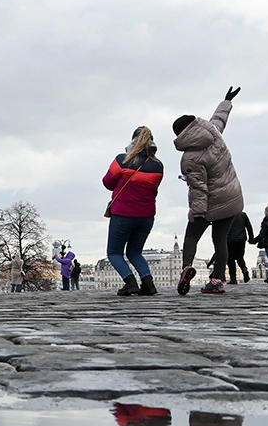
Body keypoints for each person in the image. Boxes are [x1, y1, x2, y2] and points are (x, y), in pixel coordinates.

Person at [173, 87, 246, 295]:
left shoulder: (190, 158)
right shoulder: (212, 133)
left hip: (210, 202)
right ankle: (216, 281)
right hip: (232, 197)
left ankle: (186, 267)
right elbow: (219, 120)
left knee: (191, 237)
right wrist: (226, 102)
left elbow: (198, 188)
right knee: (220, 240)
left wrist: (198, 213)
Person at [102, 126, 165, 296]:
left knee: (114, 252)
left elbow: (107, 182)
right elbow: (154, 188)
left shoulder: (122, 160)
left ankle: (130, 283)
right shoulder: (158, 166)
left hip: (123, 214)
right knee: (135, 252)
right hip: (146, 216)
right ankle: (148, 283)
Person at [226, 212, 255, 284]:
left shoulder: (227, 214)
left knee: (230, 259)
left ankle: (233, 278)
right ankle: (244, 270)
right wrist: (251, 238)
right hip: (241, 239)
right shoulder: (243, 215)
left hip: (230, 239)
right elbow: (249, 226)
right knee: (240, 257)